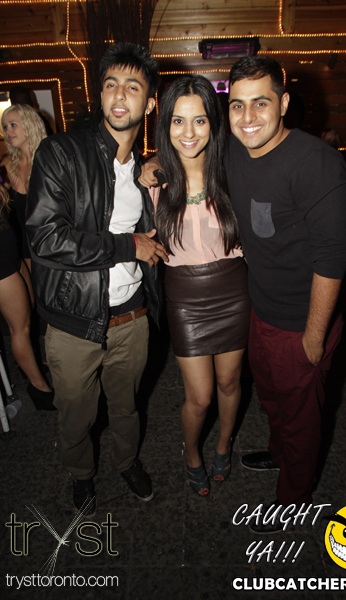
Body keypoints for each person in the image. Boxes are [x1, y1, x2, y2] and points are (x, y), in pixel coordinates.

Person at [26, 43, 167, 515]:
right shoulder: (61, 153)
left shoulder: (146, 171)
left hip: (132, 318)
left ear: (150, 103)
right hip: (72, 321)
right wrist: (128, 246)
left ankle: (127, 462)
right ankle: (81, 475)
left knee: (126, 407)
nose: (119, 95)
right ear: (100, 94)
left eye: (133, 86)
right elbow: (46, 238)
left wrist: (157, 170)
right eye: (111, 84)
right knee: (76, 417)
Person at [225, 56, 346, 531]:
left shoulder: (316, 163)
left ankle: (293, 499)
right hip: (262, 312)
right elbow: (187, 152)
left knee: (301, 421)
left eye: (261, 103)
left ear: (283, 104)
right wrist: (156, 163)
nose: (248, 117)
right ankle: (281, 458)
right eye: (238, 105)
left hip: (301, 323)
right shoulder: (234, 149)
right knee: (274, 402)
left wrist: (313, 338)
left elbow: (332, 258)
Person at [151, 75, 250, 496]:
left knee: (230, 383)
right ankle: (191, 452)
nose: (188, 132)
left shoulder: (234, 173)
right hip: (185, 299)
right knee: (201, 397)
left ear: (213, 123)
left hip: (233, 293)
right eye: (178, 121)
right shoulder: (153, 181)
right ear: (166, 125)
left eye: (199, 120)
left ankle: (224, 444)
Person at [0, 183, 55, 409]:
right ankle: (39, 388)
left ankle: (29, 365)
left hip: (10, 251)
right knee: (19, 328)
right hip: (2, 266)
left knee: (28, 314)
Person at [1, 103, 47, 274]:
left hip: (50, 245)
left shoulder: (49, 161)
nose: (8, 131)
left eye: (13, 125)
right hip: (20, 248)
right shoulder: (7, 165)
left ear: (30, 125)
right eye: (5, 126)